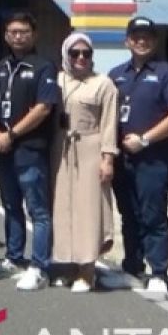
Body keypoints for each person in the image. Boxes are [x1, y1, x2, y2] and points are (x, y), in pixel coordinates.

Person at [108, 17, 168, 299]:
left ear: (155, 41)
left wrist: (145, 140)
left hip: (154, 158)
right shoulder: (116, 74)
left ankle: (158, 273)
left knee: (153, 215)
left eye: (147, 37)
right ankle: (132, 267)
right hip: (122, 159)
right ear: (127, 40)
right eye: (136, 36)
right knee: (128, 214)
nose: (141, 41)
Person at [0, 12, 59, 291]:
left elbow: (44, 108)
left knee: (38, 211)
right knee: (10, 206)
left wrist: (12, 134)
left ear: (34, 35)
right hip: (3, 150)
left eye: (24, 32)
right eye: (13, 32)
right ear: (5, 35)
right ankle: (14, 258)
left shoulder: (43, 67)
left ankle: (40, 266)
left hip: (30, 149)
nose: (18, 36)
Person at [51, 33, 118, 292]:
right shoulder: (57, 80)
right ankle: (66, 266)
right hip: (60, 148)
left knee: (88, 210)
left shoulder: (103, 84)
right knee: (63, 208)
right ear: (65, 54)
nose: (80, 58)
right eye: (74, 53)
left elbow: (109, 123)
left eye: (86, 54)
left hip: (90, 148)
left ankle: (87, 270)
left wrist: (107, 158)